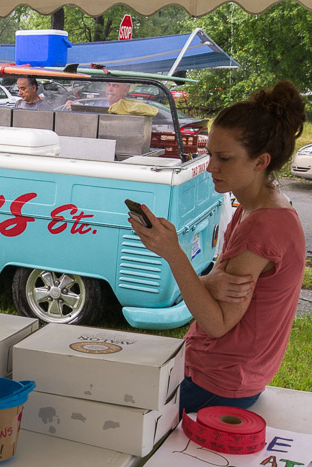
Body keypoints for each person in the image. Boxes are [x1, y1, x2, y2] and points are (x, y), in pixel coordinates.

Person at [128, 81, 306, 415]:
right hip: (222, 373)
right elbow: (219, 287)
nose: (211, 166)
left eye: (224, 158)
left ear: (260, 161)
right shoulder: (255, 208)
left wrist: (173, 253)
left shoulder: (263, 227)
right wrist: (208, 281)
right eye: (210, 154)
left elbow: (217, 323)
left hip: (219, 384)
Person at [64, 81, 131, 110]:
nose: (110, 89)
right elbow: (86, 109)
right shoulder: (98, 104)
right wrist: (74, 106)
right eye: (108, 85)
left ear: (126, 90)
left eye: (115, 86)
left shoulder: (131, 109)